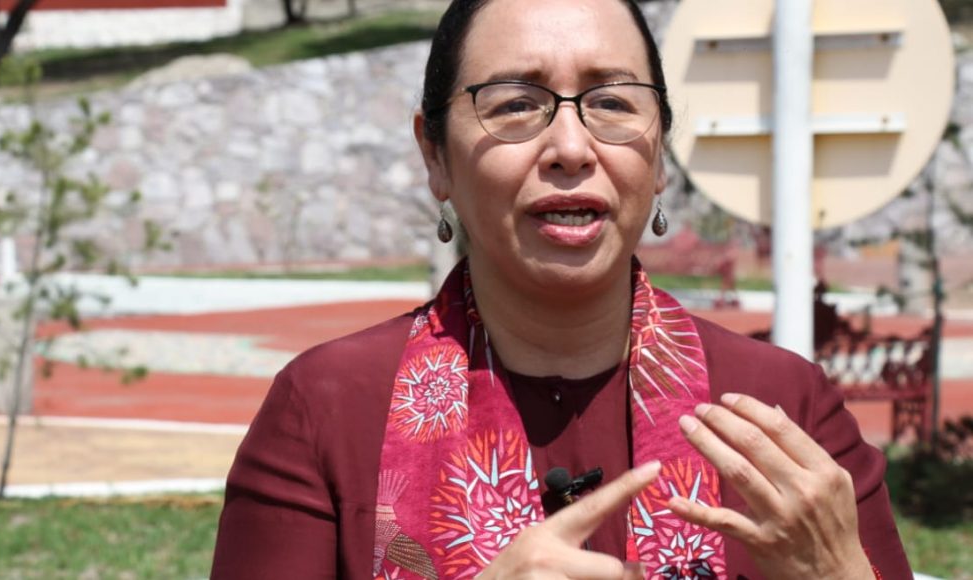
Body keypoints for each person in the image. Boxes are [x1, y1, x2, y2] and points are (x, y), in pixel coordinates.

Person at [210, 0, 912, 577]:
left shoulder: (782, 410)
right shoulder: (328, 409)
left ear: (659, 155)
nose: (572, 149)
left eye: (612, 101)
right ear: (435, 155)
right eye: (516, 103)